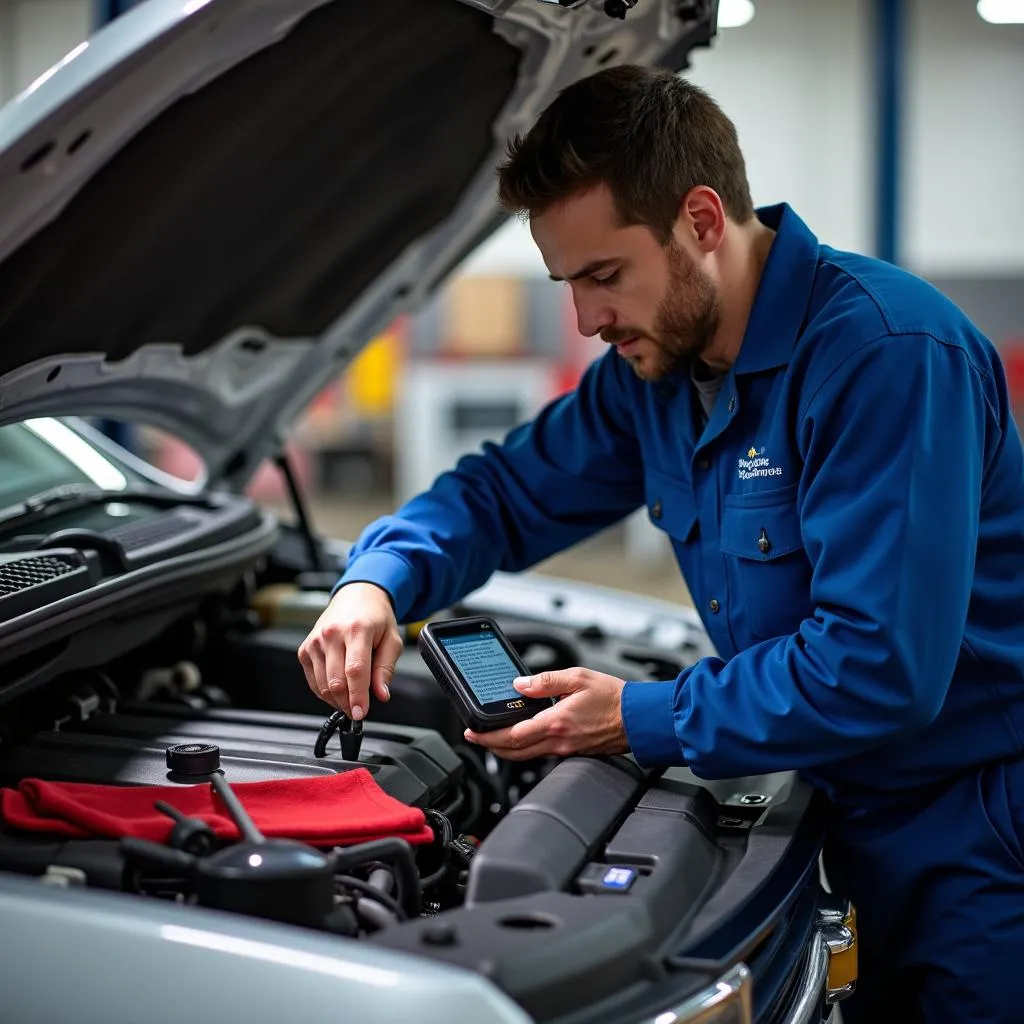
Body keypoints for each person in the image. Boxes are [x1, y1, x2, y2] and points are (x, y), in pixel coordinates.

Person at [298, 65, 1024, 1021]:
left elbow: (879, 664)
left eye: (605, 275)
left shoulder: (885, 357)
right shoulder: (657, 377)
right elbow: (504, 491)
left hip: (974, 834)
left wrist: (635, 716)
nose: (589, 320)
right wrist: (378, 581)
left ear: (703, 220)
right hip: (838, 805)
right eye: (568, 283)